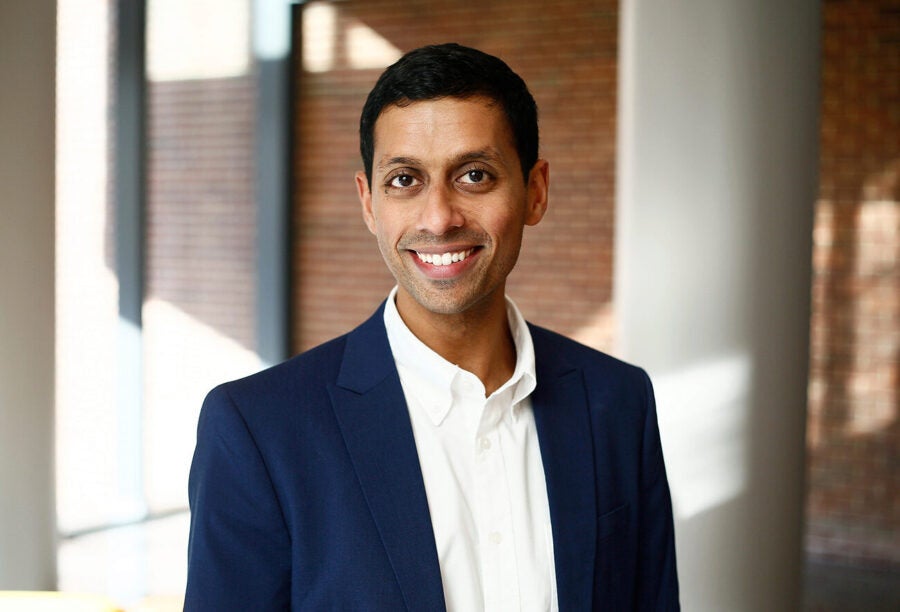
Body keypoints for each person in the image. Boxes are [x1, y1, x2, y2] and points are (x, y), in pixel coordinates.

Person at [185, 43, 679, 610]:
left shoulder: (618, 402)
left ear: (535, 192)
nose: (439, 217)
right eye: (404, 180)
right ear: (369, 202)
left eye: (474, 175)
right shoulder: (258, 430)